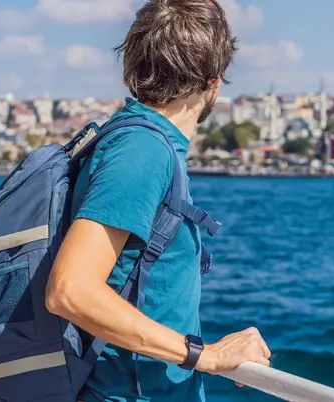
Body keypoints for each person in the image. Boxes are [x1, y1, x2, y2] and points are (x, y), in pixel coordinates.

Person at [44, 0, 271, 400]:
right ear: (214, 80)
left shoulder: (136, 139)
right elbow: (70, 290)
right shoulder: (143, 150)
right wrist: (206, 356)